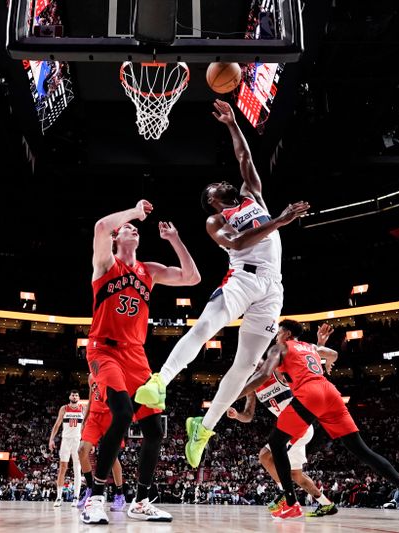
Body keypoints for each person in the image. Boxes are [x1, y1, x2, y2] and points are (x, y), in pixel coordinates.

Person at [136, 99, 310, 468]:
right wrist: (279, 222)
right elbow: (237, 244)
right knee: (205, 326)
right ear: (213, 202)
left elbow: (245, 159)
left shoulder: (252, 195)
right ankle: (160, 381)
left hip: (272, 288)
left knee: (246, 366)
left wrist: (232, 125)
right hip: (241, 280)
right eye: (215, 186)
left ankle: (205, 426)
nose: (222, 183)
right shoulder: (216, 222)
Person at [239, 319, 399, 523]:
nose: (276, 337)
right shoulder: (310, 347)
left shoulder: (280, 347)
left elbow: (263, 374)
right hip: (331, 393)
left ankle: (290, 503)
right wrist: (327, 360)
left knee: (276, 444)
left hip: (310, 393)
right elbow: (333, 354)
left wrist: (230, 397)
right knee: (363, 451)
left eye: (278, 333)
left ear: (287, 334)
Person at [81, 199, 201, 525]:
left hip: (136, 355)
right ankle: (96, 497)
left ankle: (142, 500)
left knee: (155, 428)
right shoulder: (106, 265)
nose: (133, 229)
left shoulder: (148, 271)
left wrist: (174, 239)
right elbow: (101, 227)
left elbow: (192, 277)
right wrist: (134, 212)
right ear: (118, 239)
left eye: (136, 228)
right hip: (104, 351)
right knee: (121, 413)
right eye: (128, 229)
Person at [227, 323, 337, 517]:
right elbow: (248, 416)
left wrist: (319, 348)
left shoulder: (278, 370)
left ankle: (286, 497)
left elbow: (301, 359)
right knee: (295, 474)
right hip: (293, 427)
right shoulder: (252, 388)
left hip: (298, 424)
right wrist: (237, 416)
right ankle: (326, 504)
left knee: (265, 456)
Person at [76, 374, 126, 512]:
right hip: (93, 417)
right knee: (81, 451)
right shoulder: (91, 376)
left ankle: (120, 495)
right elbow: (91, 399)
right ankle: (91, 490)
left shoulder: (114, 371)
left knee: (112, 457)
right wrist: (83, 420)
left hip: (110, 417)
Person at [48, 390, 85, 506]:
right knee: (62, 468)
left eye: (76, 395)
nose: (74, 396)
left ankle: (75, 497)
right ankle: (59, 497)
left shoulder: (83, 409)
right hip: (66, 441)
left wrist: (90, 442)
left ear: (78, 397)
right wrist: (51, 439)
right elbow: (57, 425)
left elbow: (87, 426)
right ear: (69, 396)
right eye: (73, 395)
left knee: (77, 469)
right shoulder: (64, 408)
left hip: (77, 441)